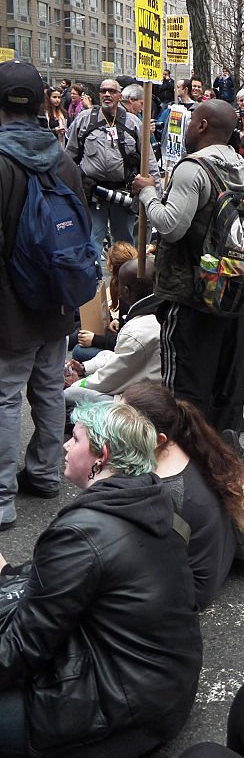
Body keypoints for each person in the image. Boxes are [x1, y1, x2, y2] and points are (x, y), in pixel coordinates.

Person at [0, 400, 201, 758]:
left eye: (74, 439)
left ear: (101, 455)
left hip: (114, 710)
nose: (64, 447)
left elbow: (20, 650)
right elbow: (74, 585)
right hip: (161, 691)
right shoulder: (150, 498)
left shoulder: (82, 532)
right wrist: (9, 577)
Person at [0, 61, 90, 518]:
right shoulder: (64, 161)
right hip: (57, 298)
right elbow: (83, 230)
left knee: (5, 394)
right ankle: (44, 473)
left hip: (10, 307)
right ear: (41, 104)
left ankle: (0, 500)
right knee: (49, 389)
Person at [130, 100, 244, 434]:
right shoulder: (241, 169)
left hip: (191, 296)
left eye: (191, 120)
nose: (185, 127)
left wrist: (148, 194)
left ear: (201, 126)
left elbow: (171, 226)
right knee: (226, 390)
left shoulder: (192, 169)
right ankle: (223, 461)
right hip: (232, 292)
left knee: (185, 391)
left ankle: (186, 465)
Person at [121, 382, 244, 609]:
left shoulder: (164, 486)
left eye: (122, 422)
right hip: (214, 567)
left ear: (157, 439)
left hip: (189, 593)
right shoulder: (180, 444)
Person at [65, 78, 160, 254]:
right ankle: (95, 278)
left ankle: (124, 280)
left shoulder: (133, 123)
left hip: (123, 195)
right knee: (91, 241)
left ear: (119, 95)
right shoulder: (84, 120)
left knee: (125, 246)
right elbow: (69, 156)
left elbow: (150, 163)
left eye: (112, 91)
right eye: (103, 91)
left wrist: (156, 198)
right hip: (93, 195)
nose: (107, 94)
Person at [63, 257, 160, 410]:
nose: (118, 292)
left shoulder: (138, 331)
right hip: (141, 387)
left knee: (69, 393)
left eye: (118, 285)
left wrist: (77, 382)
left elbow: (109, 379)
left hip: (139, 405)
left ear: (127, 291)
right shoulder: (154, 314)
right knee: (98, 356)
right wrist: (84, 368)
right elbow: (117, 357)